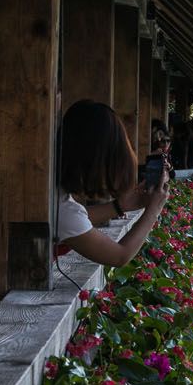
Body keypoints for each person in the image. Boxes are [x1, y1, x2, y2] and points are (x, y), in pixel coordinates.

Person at [56, 100, 168, 267]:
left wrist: (119, 206)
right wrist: (154, 211)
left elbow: (78, 216)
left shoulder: (54, 195)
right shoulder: (64, 211)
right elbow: (119, 256)